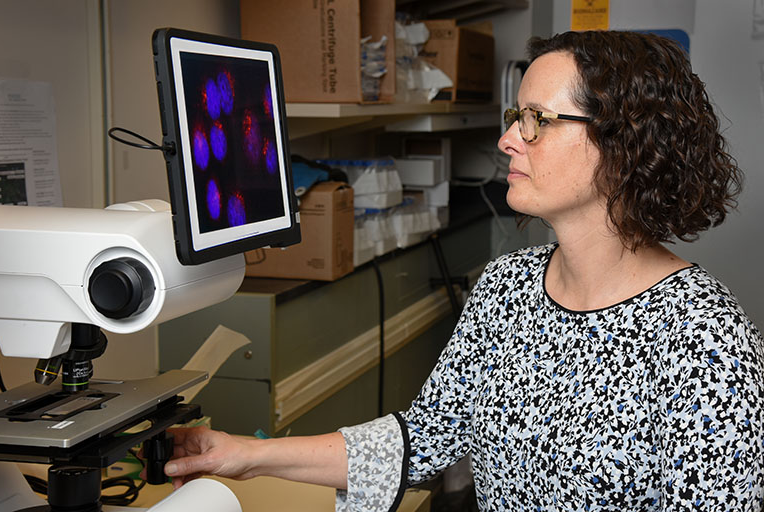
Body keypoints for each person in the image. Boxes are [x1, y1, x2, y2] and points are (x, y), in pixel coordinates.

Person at [157, 31, 764, 511]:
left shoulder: (703, 342)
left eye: (537, 120)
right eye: (513, 115)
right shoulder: (508, 290)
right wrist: (244, 455)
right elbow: (419, 440)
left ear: (623, 143)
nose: (507, 140)